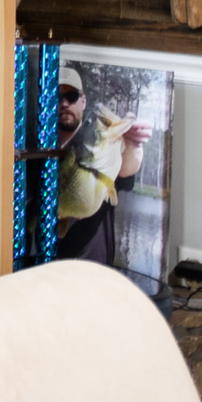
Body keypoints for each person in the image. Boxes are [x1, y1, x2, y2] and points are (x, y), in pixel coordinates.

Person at [52, 62, 150, 265]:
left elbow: (127, 168)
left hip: (94, 272)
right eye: (57, 97)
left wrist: (134, 144)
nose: (64, 104)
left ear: (83, 101)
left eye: (71, 96)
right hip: (46, 270)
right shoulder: (35, 152)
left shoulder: (104, 150)